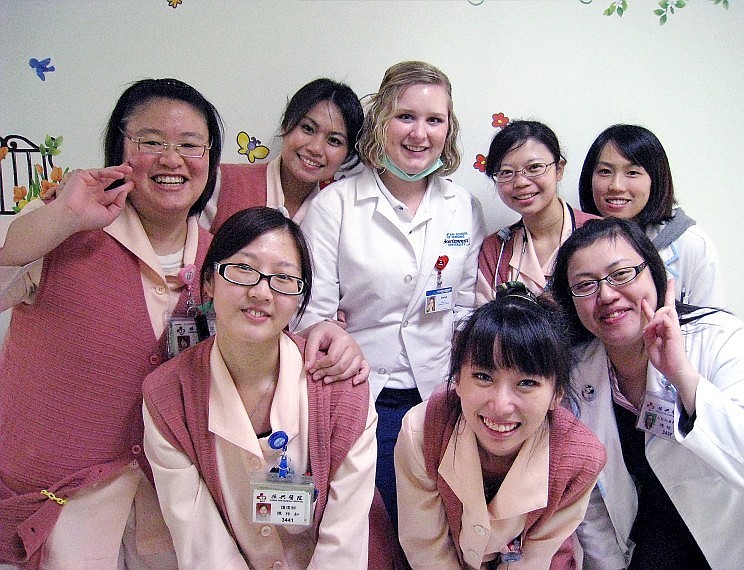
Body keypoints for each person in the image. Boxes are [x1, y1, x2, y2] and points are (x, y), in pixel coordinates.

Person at [0, 78, 366, 569]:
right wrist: (62, 216)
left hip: (172, 507)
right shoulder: (62, 236)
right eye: (151, 142)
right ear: (120, 151)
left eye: (191, 145)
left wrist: (327, 336)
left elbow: (256, 341)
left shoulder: (222, 263)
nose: (172, 159)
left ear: (210, 160)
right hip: (60, 505)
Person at [298, 61, 485, 527]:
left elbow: (464, 308)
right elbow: (311, 314)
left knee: (440, 527)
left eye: (434, 120)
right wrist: (329, 338)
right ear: (382, 120)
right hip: (361, 394)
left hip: (443, 397)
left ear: (449, 128)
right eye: (406, 116)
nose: (419, 133)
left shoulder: (463, 208)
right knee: (374, 525)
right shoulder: (334, 206)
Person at [143, 207, 377, 569]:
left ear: (300, 296)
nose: (261, 292)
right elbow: (203, 544)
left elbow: (343, 545)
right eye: (243, 269)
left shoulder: (342, 390)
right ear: (209, 281)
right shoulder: (168, 397)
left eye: (283, 278)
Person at [551, 217, 744, 569]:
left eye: (621, 275)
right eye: (585, 285)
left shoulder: (720, 338)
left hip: (735, 546)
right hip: (650, 549)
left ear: (657, 276)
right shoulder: (577, 373)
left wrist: (685, 380)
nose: (606, 295)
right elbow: (592, 503)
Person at [395, 284, 607, 568]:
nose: (501, 405)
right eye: (483, 376)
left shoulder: (579, 459)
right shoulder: (423, 431)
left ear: (557, 394)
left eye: (527, 383)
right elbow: (425, 547)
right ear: (456, 378)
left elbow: (535, 559)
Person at [578, 124, 723, 307]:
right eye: (605, 172)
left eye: (632, 173)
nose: (616, 186)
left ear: (655, 180)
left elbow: (711, 325)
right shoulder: (576, 242)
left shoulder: (692, 244)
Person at [201, 78, 364, 232]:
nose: (315, 148)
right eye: (308, 129)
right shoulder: (224, 182)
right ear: (286, 125)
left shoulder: (338, 212)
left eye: (334, 140)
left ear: (347, 153)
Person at [477, 120, 598, 304]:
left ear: (559, 169)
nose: (521, 182)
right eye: (506, 172)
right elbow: (486, 326)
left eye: (534, 167)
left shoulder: (601, 233)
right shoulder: (496, 249)